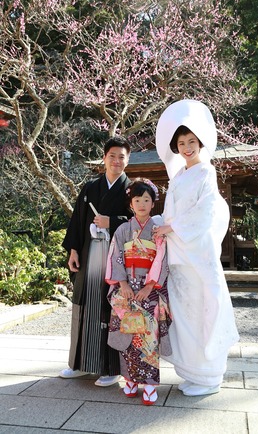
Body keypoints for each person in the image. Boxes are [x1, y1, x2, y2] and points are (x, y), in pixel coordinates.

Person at [154, 99, 239, 397]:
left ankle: (210, 377)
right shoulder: (178, 175)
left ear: (201, 143)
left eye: (192, 141)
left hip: (196, 253)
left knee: (203, 311)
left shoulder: (206, 172)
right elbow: (172, 213)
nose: (187, 147)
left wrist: (172, 227)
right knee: (185, 315)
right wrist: (159, 224)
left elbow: (205, 212)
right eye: (181, 142)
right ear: (175, 147)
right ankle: (194, 372)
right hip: (180, 255)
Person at [59, 136, 132, 387]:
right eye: (112, 156)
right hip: (90, 254)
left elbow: (139, 220)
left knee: (111, 308)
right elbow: (78, 220)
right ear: (104, 158)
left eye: (121, 157)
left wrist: (111, 221)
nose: (116, 161)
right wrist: (73, 250)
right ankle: (80, 364)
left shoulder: (132, 190)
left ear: (127, 160)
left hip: (116, 260)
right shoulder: (91, 187)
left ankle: (112, 367)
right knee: (84, 305)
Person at [105, 179, 172, 405]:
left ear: (153, 203)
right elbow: (115, 256)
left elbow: (162, 259)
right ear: (131, 204)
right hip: (126, 290)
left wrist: (149, 286)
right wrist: (122, 284)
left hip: (149, 289)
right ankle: (130, 379)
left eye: (146, 199)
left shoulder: (157, 230)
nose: (142, 204)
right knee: (128, 335)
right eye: (137, 200)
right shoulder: (123, 229)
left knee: (148, 337)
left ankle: (150, 383)